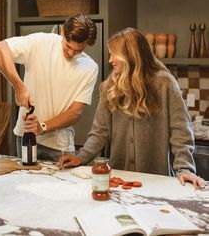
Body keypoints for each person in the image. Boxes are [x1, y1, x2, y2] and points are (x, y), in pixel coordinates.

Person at [59, 27, 205, 188]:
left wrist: (185, 169)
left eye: (114, 54)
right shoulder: (109, 87)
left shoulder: (165, 84)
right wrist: (81, 157)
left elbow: (181, 131)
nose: (110, 60)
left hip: (157, 180)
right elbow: (100, 132)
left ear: (130, 55)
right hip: (118, 180)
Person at [0, 13, 98, 161]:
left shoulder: (90, 67)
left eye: (78, 50)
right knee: (26, 182)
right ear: (62, 32)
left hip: (61, 146)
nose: (71, 53)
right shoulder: (41, 42)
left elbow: (75, 112)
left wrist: (42, 127)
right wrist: (19, 87)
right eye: (68, 46)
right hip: (25, 137)